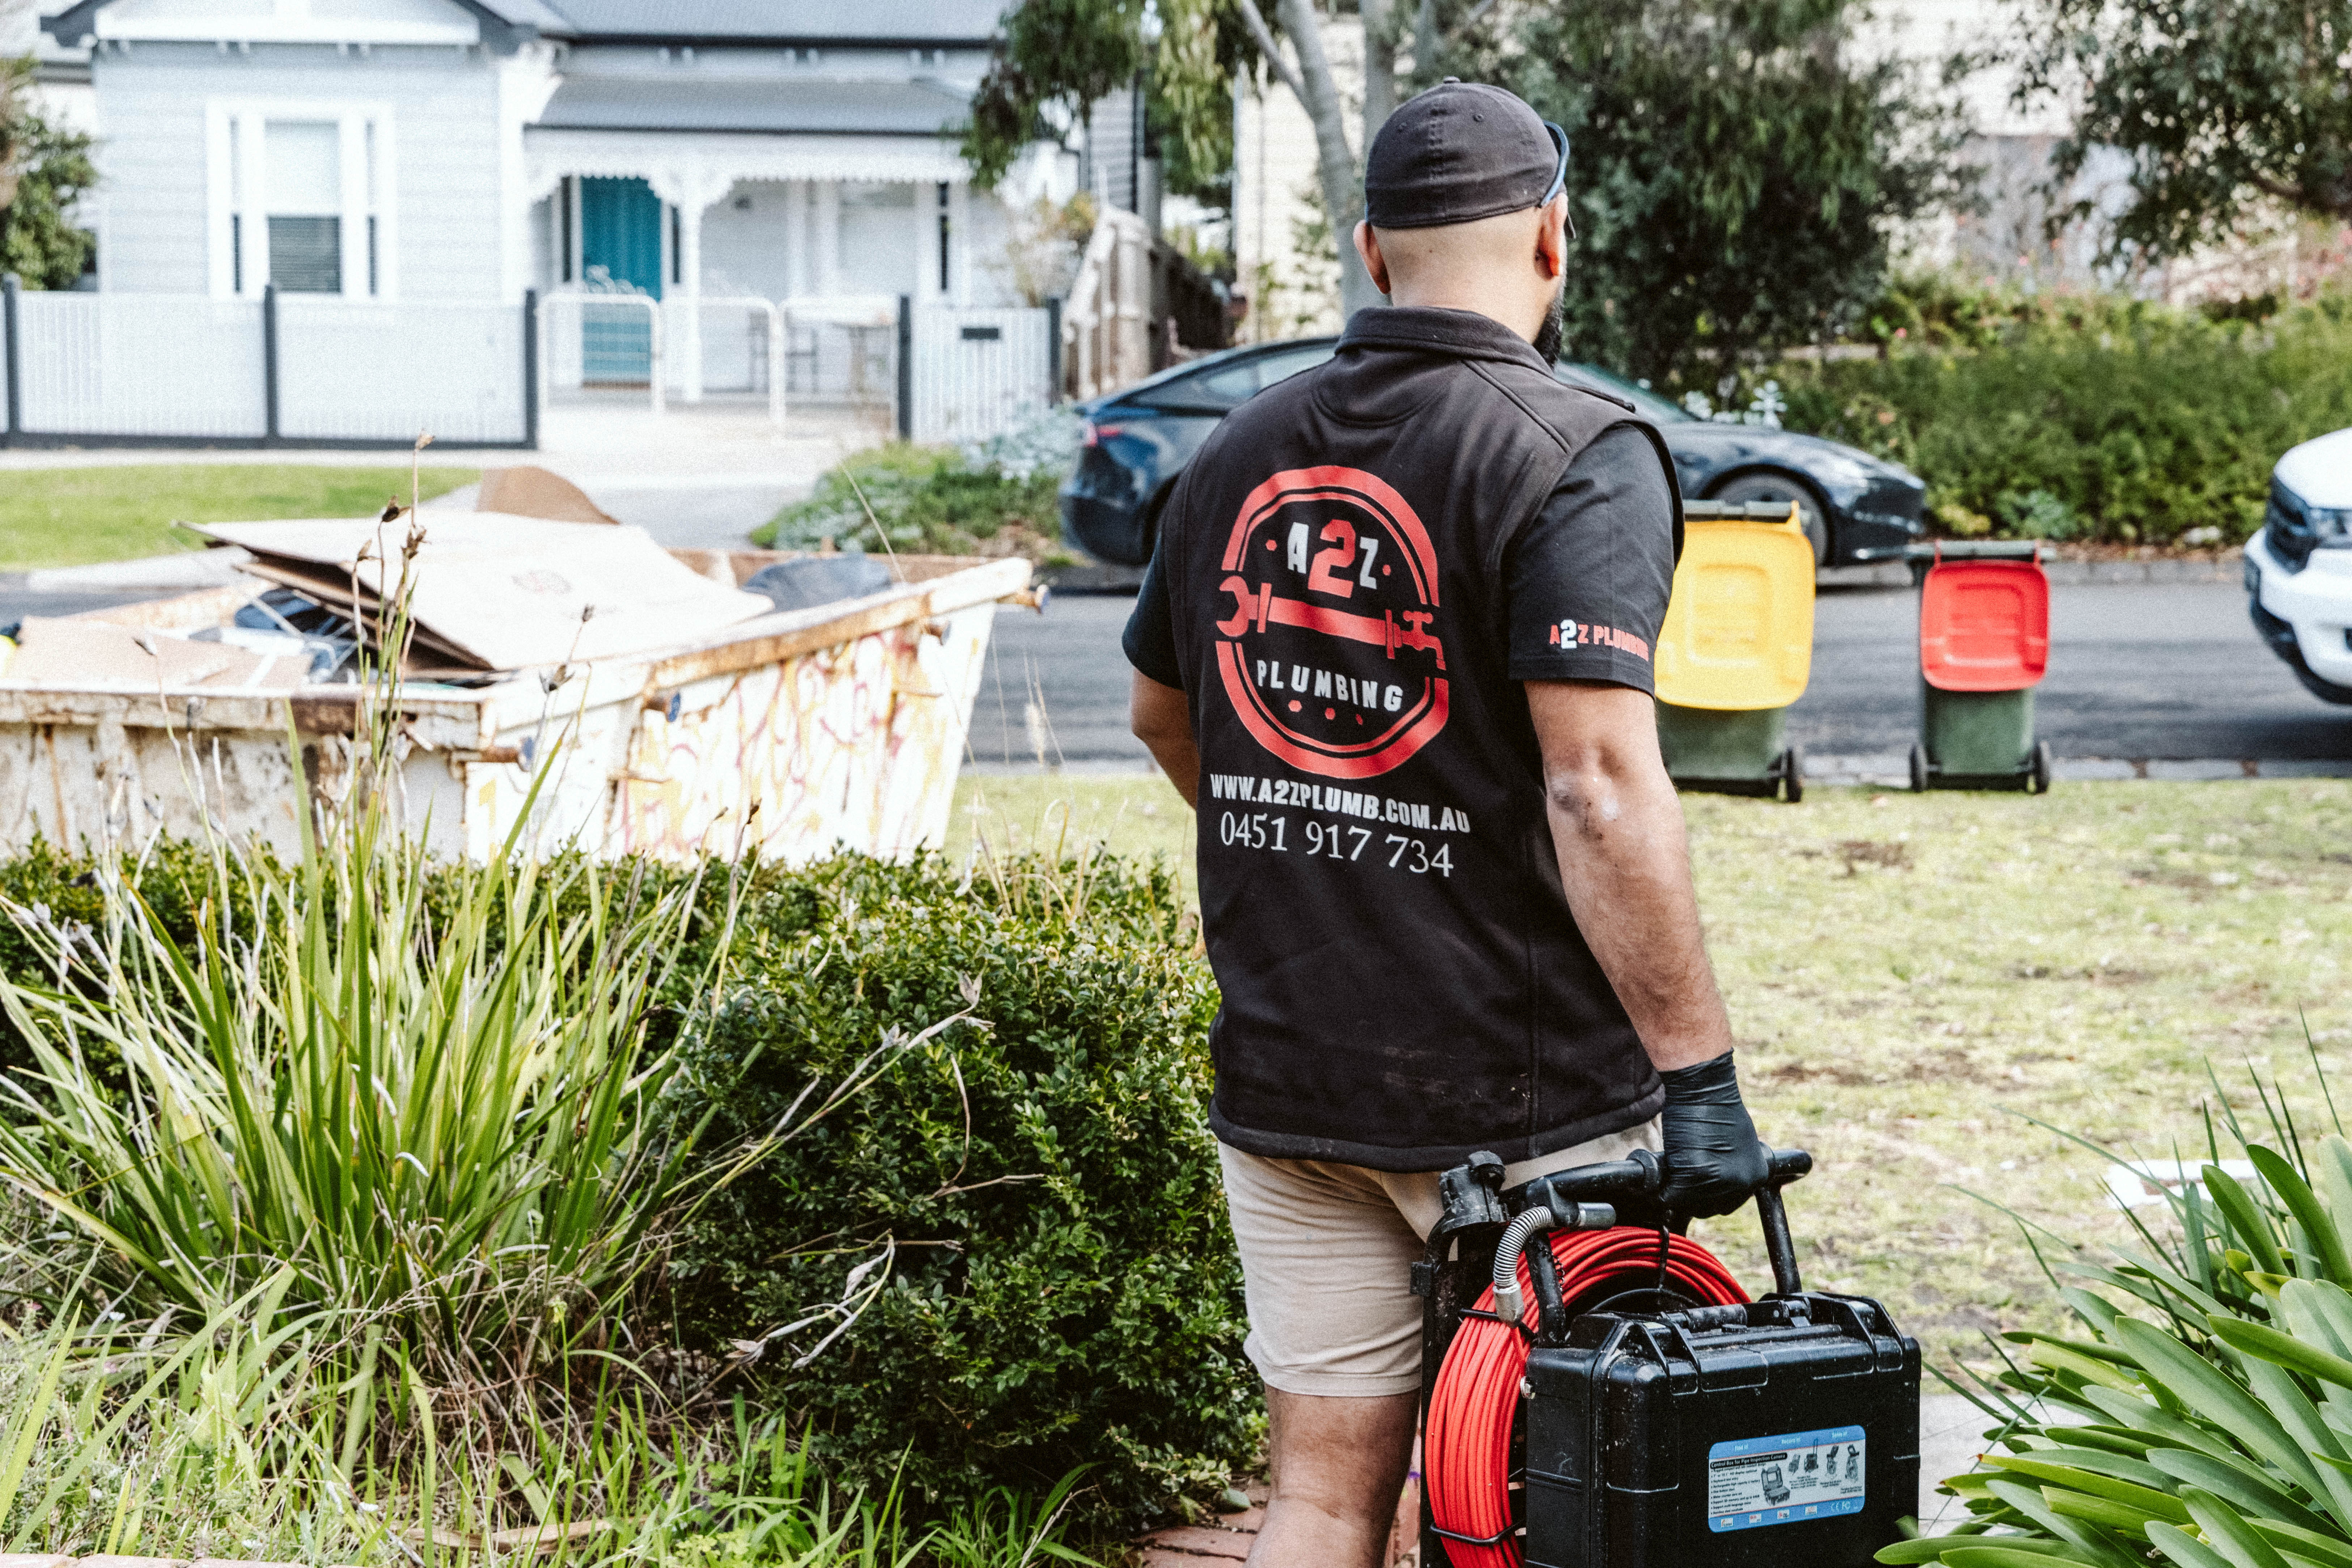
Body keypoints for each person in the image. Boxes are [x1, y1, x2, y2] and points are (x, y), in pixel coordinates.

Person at [1121, 79, 1770, 1568]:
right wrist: (1705, 1078)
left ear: (1368, 248)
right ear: (1556, 238)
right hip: (1526, 1107)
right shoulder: (1575, 449)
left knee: (1318, 1504)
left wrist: (1318, 835)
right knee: (1560, 1511)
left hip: (1293, 1083)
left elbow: (1166, 716)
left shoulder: (1231, 454)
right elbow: (1598, 784)